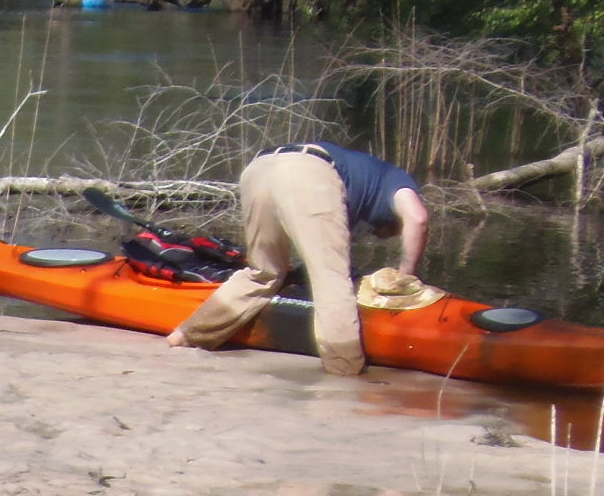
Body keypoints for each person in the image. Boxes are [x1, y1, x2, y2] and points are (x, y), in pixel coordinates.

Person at [165, 140, 430, 378]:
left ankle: (188, 335)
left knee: (263, 272)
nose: (377, 232)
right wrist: (406, 276)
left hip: (261, 168)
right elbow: (417, 219)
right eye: (388, 230)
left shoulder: (364, 179)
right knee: (331, 278)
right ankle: (344, 367)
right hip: (308, 172)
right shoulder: (400, 181)